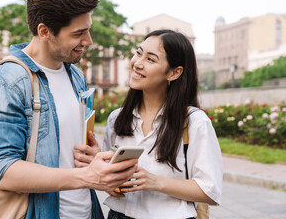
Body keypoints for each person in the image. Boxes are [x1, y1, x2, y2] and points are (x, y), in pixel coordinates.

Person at [0, 0, 138, 218]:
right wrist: (87, 177)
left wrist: (95, 159)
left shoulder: (74, 74)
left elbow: (67, 146)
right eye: (79, 33)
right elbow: (3, 169)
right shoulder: (8, 79)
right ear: (44, 32)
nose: (89, 41)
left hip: (87, 211)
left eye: (88, 29)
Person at [74, 29, 223, 219]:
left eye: (150, 59)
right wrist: (104, 168)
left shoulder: (194, 121)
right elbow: (113, 188)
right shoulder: (118, 118)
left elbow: (209, 190)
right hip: (118, 215)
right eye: (138, 53)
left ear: (174, 73)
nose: (137, 63)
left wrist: (154, 182)